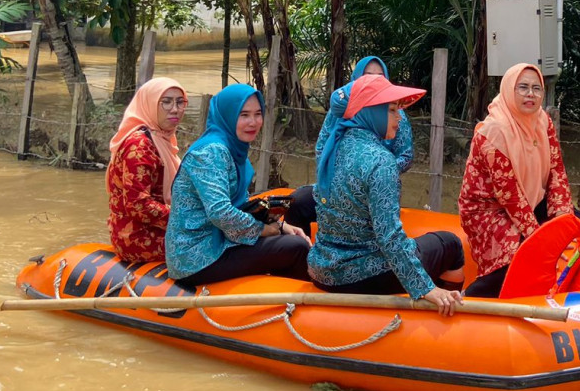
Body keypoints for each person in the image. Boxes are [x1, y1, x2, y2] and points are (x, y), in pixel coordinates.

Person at [307, 73, 465, 315]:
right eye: (392, 110)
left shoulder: (332, 148)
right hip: (362, 276)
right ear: (371, 112)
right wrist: (425, 288)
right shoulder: (381, 161)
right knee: (451, 244)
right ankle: (446, 315)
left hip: (322, 270)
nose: (399, 118)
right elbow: (389, 236)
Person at [165, 84, 310, 286]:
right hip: (198, 255)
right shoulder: (211, 152)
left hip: (220, 241)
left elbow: (239, 204)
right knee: (296, 248)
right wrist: (263, 230)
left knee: (293, 234)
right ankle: (302, 308)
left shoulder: (233, 147)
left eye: (258, 114)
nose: (253, 122)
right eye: (244, 115)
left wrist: (280, 225)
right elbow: (220, 212)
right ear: (228, 116)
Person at [458, 63, 580, 298]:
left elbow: (557, 174)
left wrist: (563, 223)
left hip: (532, 200)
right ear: (508, 90)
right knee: (517, 256)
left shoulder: (543, 121)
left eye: (536, 88)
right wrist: (541, 241)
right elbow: (509, 196)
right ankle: (469, 299)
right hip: (488, 209)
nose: (531, 94)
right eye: (522, 87)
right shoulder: (493, 132)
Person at [286, 56, 413, 232]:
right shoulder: (340, 110)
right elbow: (323, 147)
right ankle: (302, 252)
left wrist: (374, 174)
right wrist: (339, 175)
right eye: (367, 76)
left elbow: (406, 156)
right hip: (336, 185)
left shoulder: (396, 115)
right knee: (297, 202)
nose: (374, 81)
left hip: (377, 189)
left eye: (380, 76)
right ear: (356, 79)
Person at [106, 77, 189, 263]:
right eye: (166, 102)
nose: (175, 109)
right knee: (215, 244)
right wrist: (187, 221)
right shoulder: (140, 146)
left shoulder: (162, 138)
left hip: (159, 227)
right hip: (138, 236)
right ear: (150, 103)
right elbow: (138, 205)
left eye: (180, 102)